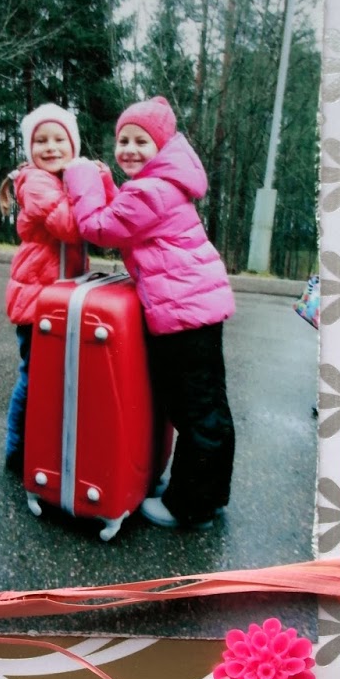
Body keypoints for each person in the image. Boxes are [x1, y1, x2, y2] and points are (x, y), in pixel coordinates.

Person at [64, 95, 236, 527]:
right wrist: (107, 184)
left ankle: (190, 506)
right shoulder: (160, 185)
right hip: (194, 309)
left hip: (183, 314)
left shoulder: (151, 190)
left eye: (142, 141)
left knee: (195, 411)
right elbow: (125, 219)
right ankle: (207, 494)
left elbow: (99, 227)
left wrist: (81, 177)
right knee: (205, 406)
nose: (129, 149)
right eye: (123, 140)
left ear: (162, 147)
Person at [0, 104, 88, 474]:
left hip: (58, 297)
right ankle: (17, 448)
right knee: (34, 374)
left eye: (58, 139)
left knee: (55, 376)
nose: (50, 147)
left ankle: (47, 445)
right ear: (29, 148)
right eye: (40, 141)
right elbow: (72, 226)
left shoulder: (63, 180)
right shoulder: (37, 182)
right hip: (37, 298)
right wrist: (90, 181)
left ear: (73, 145)